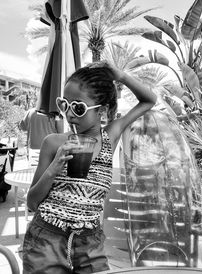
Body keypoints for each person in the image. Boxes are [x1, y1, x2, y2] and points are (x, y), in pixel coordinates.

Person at [23, 61, 157, 274]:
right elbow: (32, 202)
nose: (69, 114)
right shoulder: (53, 143)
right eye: (64, 104)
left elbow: (149, 100)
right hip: (47, 238)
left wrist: (120, 76)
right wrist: (53, 169)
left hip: (90, 241)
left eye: (78, 107)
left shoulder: (110, 137)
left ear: (101, 110)